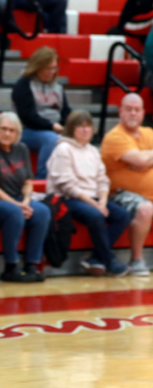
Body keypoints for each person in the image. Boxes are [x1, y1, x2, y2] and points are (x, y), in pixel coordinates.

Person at [47, 110, 131, 277]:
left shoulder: (92, 150)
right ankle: (109, 260)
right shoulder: (63, 149)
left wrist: (103, 201)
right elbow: (67, 185)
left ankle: (95, 258)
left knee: (122, 215)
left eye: (88, 126)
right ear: (72, 128)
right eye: (81, 126)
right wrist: (95, 205)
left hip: (93, 198)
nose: (86, 130)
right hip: (69, 198)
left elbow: (102, 179)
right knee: (95, 215)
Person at [0, 112, 50, 282]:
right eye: (3, 129)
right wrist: (17, 206)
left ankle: (32, 264)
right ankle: (11, 266)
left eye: (12, 130)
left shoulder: (22, 148)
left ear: (18, 134)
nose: (7, 133)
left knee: (43, 211)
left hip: (17, 199)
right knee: (14, 212)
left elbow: (28, 182)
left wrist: (26, 201)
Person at [100, 93, 153, 276]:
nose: (133, 113)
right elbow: (140, 160)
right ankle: (137, 260)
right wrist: (143, 160)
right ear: (120, 111)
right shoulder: (114, 136)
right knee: (145, 208)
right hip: (119, 195)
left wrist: (146, 159)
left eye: (137, 110)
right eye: (129, 109)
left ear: (143, 113)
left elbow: (143, 160)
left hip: (147, 194)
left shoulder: (148, 133)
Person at [12, 46, 70, 179]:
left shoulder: (58, 87)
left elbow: (66, 111)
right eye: (48, 68)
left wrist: (68, 125)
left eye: (54, 68)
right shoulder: (23, 85)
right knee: (51, 139)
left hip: (54, 129)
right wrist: (52, 126)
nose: (52, 72)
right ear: (37, 67)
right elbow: (28, 116)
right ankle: (43, 178)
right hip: (27, 130)